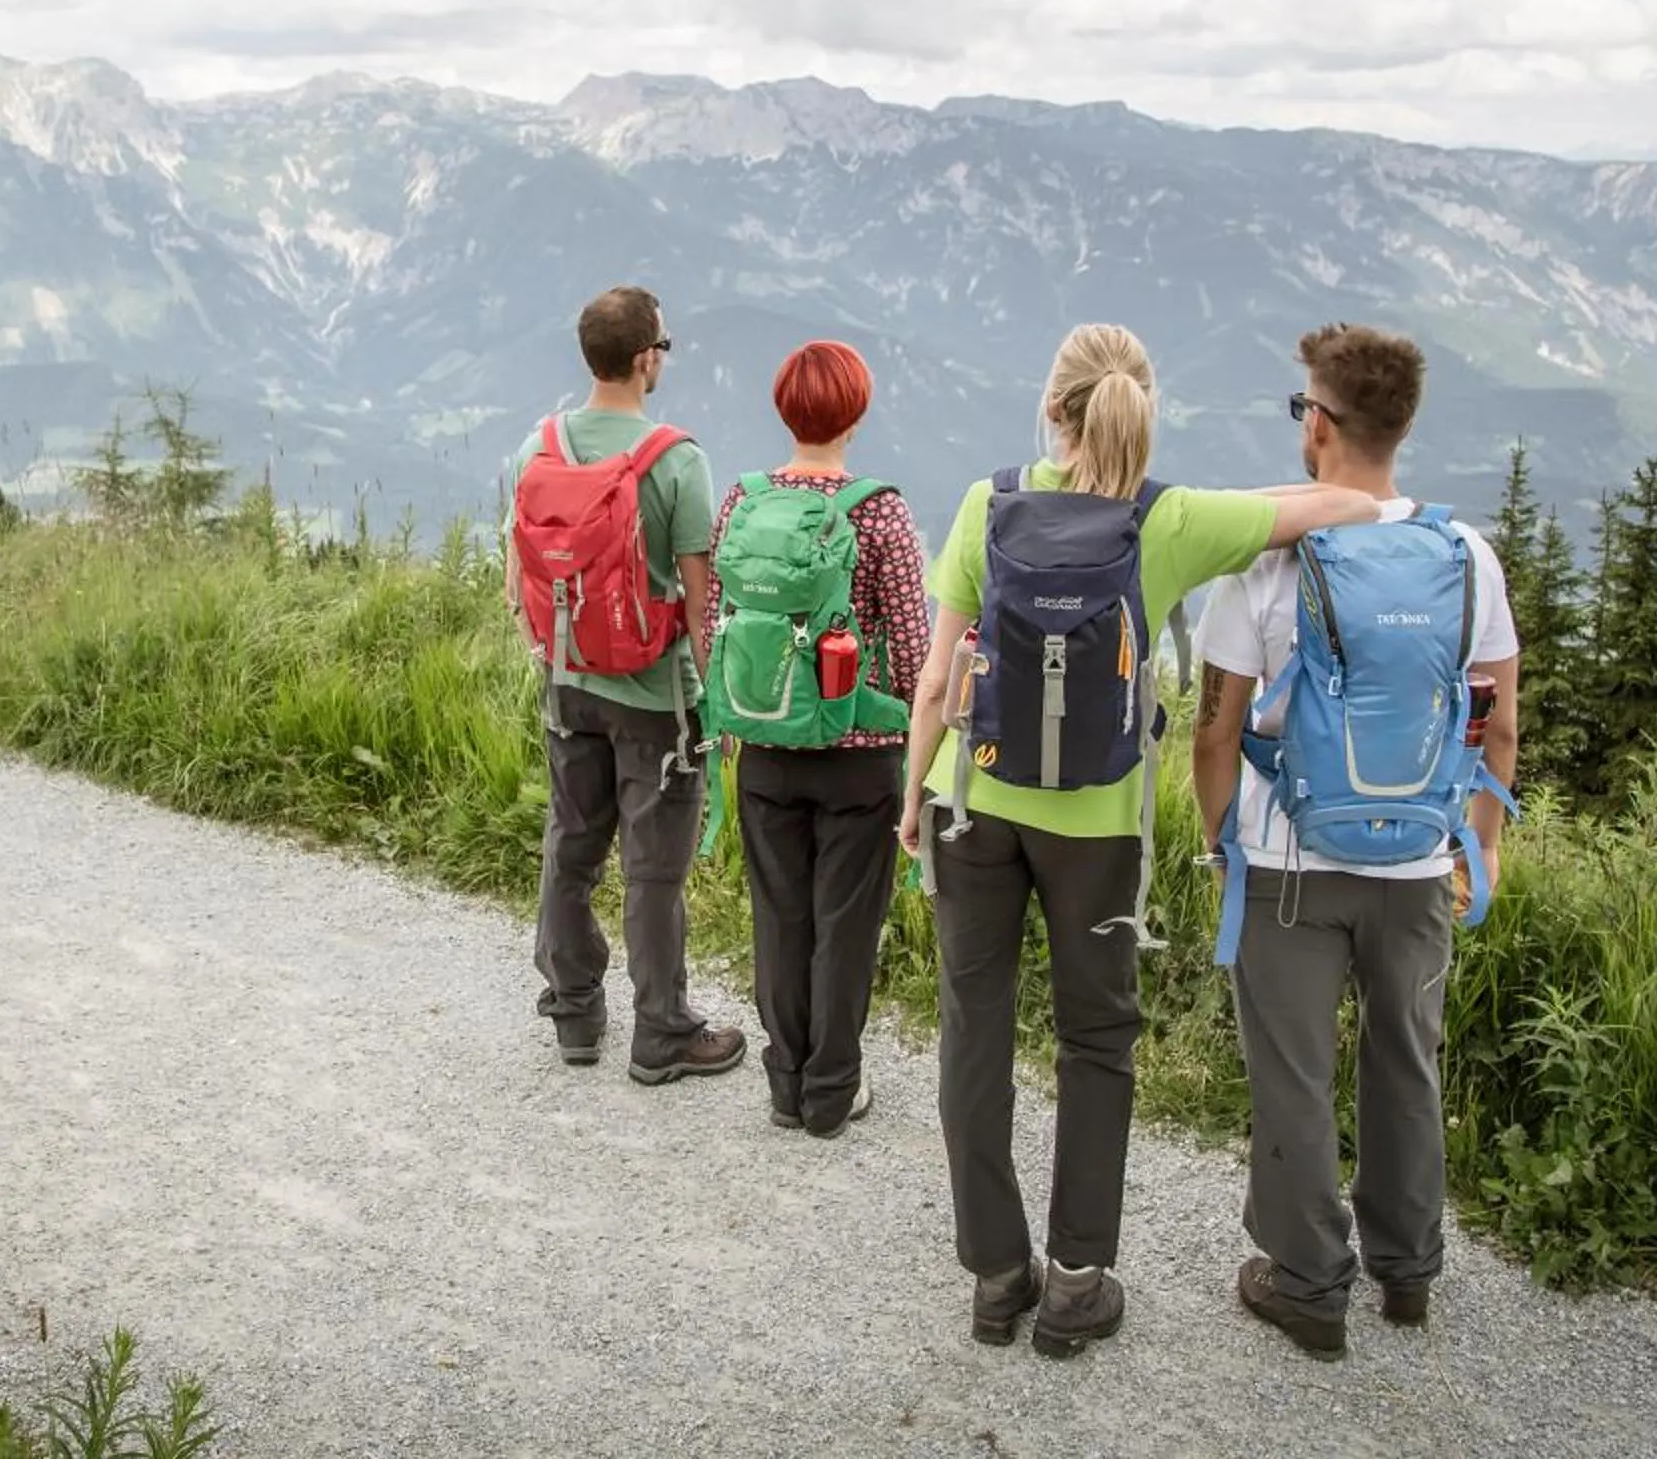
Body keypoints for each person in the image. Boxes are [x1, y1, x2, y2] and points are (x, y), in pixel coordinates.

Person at [899, 323, 1382, 1359]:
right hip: (1098, 831)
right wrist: (1362, 505)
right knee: (1095, 1039)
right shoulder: (1168, 520)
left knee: (975, 1030)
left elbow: (936, 682)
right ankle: (1076, 1283)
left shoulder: (989, 501)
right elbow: (1340, 506)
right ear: (1144, 410)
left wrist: (913, 796)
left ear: (1054, 410)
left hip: (972, 805)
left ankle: (996, 1275)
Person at [1189, 323, 1521, 1360]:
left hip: (1288, 861)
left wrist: (1219, 839)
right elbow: (1499, 723)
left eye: (1304, 407)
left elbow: (1214, 728)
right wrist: (1481, 844)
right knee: (1407, 1061)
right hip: (1418, 861)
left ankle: (1307, 1284)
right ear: (1402, 426)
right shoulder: (1468, 558)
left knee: (1294, 1074)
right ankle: (1407, 1271)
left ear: (1319, 424)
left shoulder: (1270, 558)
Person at [505, 285, 747, 1085]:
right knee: (653, 872)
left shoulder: (538, 449)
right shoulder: (676, 460)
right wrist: (719, 708)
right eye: (664, 347)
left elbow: (518, 583)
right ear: (646, 360)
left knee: (570, 848)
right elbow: (701, 604)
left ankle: (575, 1011)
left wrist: (556, 662)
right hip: (654, 699)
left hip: (567, 687)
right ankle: (662, 1031)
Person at [699, 340, 929, 1139]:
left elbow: (717, 626)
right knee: (845, 927)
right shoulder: (879, 511)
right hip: (859, 758)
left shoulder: (744, 500)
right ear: (855, 414)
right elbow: (914, 648)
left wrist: (730, 724)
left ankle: (785, 1081)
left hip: (764, 745)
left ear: (783, 409)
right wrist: (918, 743)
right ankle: (831, 1091)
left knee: (780, 918)